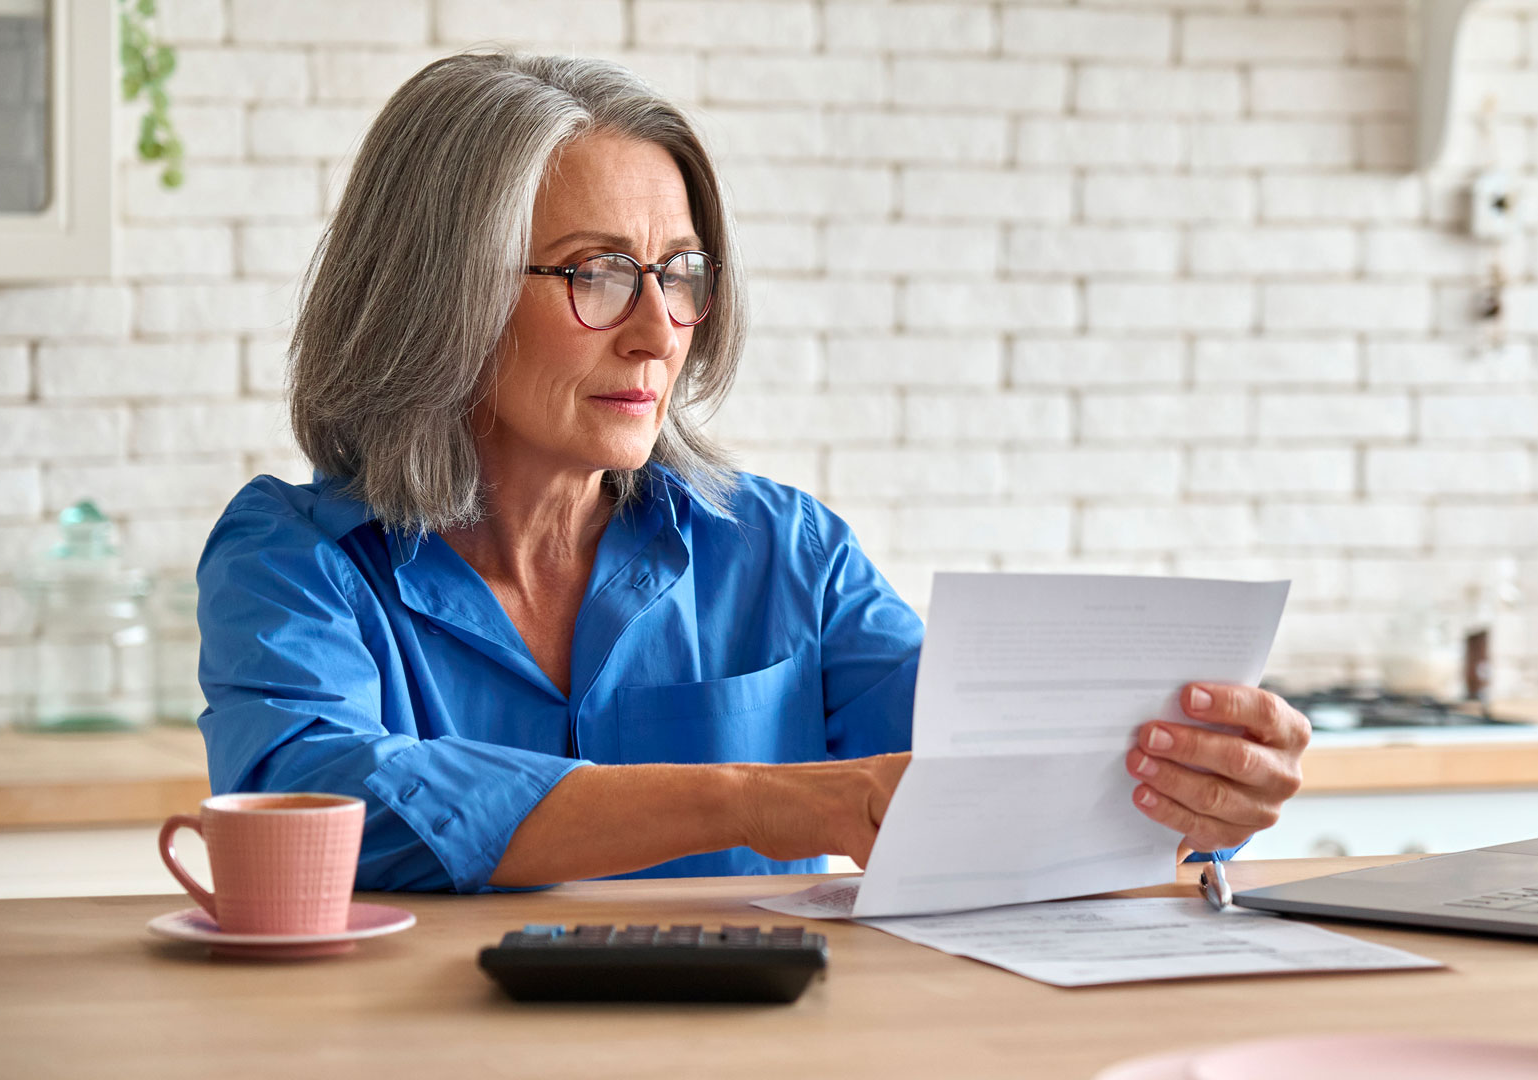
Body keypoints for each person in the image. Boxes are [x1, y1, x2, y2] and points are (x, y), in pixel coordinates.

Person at [196, 53, 1308, 894]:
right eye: (596, 273)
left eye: (680, 273)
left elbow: (991, 771)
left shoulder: (789, 557)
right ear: (441, 294)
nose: (657, 333)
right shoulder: (295, 561)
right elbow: (318, 805)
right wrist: (760, 800)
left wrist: (1200, 790)